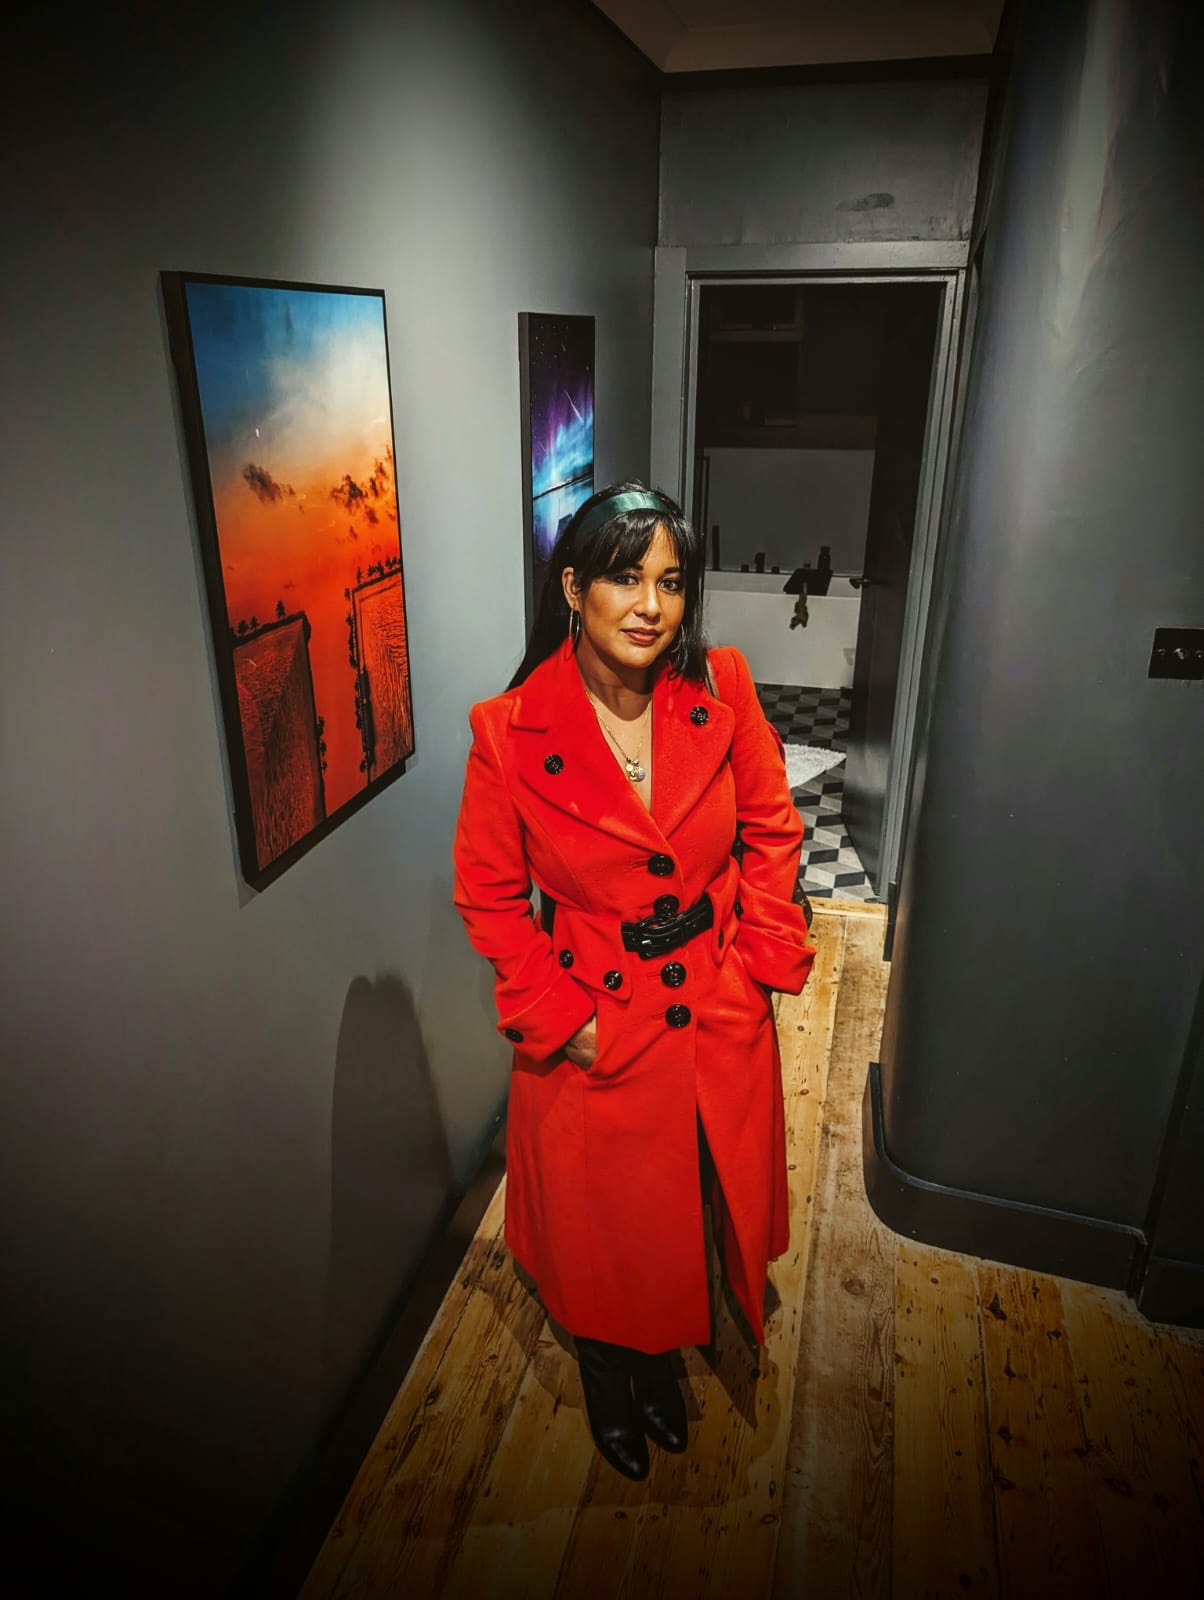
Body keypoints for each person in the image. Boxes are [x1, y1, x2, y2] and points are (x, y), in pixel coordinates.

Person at [452, 481, 815, 1480]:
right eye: (625, 577)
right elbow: (489, 897)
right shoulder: (509, 729)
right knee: (604, 1225)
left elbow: (772, 829)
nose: (651, 605)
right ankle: (612, 1374)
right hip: (598, 1018)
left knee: (689, 1199)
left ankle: (662, 1359)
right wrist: (559, 1016)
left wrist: (760, 959)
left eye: (671, 581)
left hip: (713, 1000)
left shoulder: (721, 685)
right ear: (574, 588)